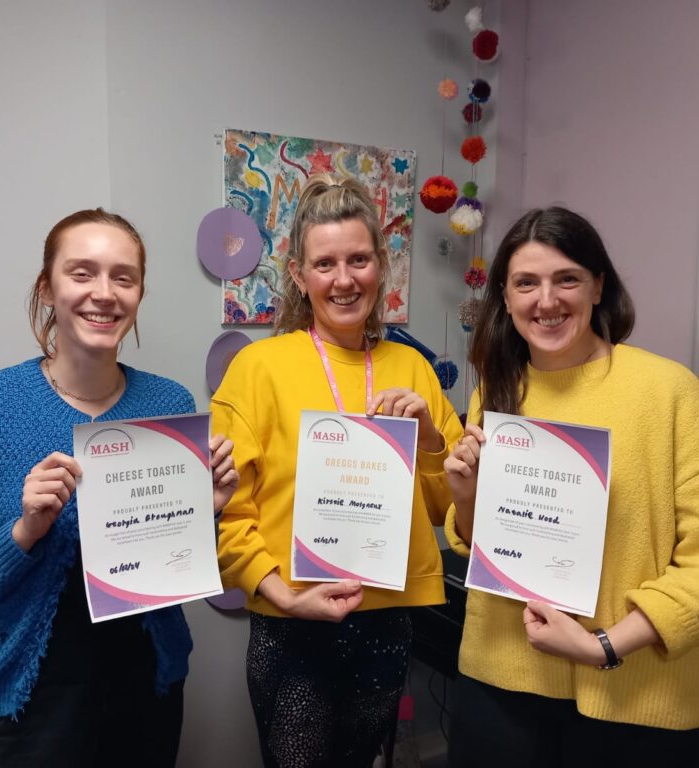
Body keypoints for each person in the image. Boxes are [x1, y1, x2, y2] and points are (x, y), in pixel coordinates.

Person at [0, 208, 238, 767]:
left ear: (139, 294)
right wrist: (22, 532)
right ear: (47, 289)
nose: (104, 293)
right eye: (82, 273)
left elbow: (173, 567)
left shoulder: (169, 405)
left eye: (123, 276)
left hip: (147, 690)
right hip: (30, 707)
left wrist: (203, 514)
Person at [443, 207, 699, 768]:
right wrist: (466, 497)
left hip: (638, 693)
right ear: (505, 299)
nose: (547, 301)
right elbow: (485, 539)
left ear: (598, 287)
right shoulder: (498, 388)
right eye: (526, 283)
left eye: (567, 279)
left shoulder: (668, 392)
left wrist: (602, 645)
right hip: (506, 674)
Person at [212, 174, 463, 767]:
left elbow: (448, 510)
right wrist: (280, 595)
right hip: (291, 621)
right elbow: (225, 507)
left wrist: (429, 440)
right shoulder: (258, 368)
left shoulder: (413, 368)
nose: (345, 280)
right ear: (298, 276)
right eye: (325, 264)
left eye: (359, 260)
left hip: (388, 620)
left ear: (382, 266)